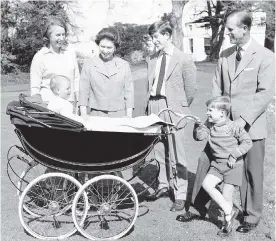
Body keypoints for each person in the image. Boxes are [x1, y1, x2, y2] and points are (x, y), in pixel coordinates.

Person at [189, 10, 275, 233]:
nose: (227, 34)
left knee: (251, 172)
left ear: (244, 29)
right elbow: (217, 86)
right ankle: (200, 206)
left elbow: (264, 93)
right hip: (221, 125)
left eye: (230, 29)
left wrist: (243, 120)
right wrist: (217, 116)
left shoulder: (266, 56)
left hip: (251, 126)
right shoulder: (225, 54)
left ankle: (251, 216)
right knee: (205, 160)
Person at [145, 20, 197, 212]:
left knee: (178, 154)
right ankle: (163, 185)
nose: (154, 41)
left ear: (166, 35)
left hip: (173, 108)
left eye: (156, 37)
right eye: (152, 37)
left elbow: (191, 89)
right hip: (154, 105)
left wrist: (180, 108)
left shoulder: (184, 58)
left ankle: (180, 193)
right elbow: (149, 85)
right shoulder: (151, 58)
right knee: (159, 150)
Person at [193, 96, 252, 236]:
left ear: (222, 113)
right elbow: (200, 137)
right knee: (207, 184)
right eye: (207, 110)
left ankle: (226, 225)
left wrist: (235, 153)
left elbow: (247, 142)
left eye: (210, 110)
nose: (207, 113)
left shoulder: (233, 127)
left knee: (227, 195)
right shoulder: (209, 124)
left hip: (233, 166)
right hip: (217, 164)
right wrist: (197, 126)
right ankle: (229, 211)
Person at [78, 27, 134, 118]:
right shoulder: (89, 64)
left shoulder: (124, 65)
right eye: (102, 46)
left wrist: (129, 116)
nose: (105, 51)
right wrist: (83, 114)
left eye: (109, 47)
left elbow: (129, 92)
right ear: (98, 45)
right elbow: (84, 91)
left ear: (115, 47)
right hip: (96, 114)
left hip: (120, 114)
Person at [30, 16, 80, 106]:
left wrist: (79, 102)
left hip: (70, 104)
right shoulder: (39, 57)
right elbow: (35, 87)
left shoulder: (70, 53)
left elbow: (76, 79)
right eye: (58, 35)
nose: (61, 38)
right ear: (49, 36)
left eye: (63, 34)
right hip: (48, 105)